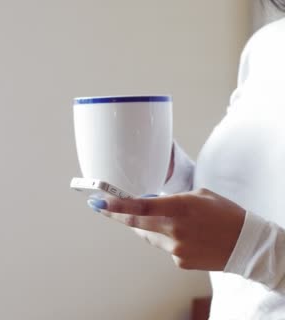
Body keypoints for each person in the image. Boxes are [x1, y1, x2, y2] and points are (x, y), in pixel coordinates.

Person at [86, 1, 285, 319]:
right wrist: (168, 172)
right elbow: (253, 204)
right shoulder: (266, 46)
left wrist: (255, 250)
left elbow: (252, 238)